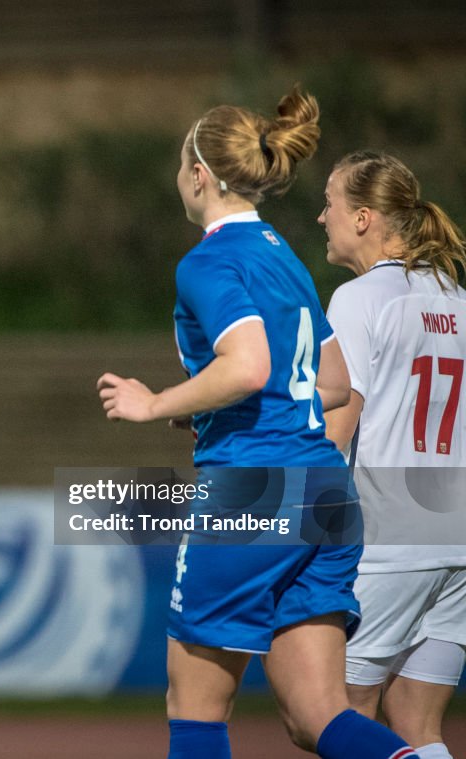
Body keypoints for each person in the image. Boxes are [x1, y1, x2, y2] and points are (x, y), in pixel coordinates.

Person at [97, 87, 422, 759]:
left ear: (199, 174)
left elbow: (246, 366)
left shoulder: (208, 261)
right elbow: (331, 385)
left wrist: (157, 402)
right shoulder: (286, 257)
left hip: (253, 489)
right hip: (326, 491)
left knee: (194, 708)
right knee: (319, 715)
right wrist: (222, 408)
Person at [319, 151, 466, 759]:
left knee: (336, 717)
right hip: (458, 535)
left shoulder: (360, 299)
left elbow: (336, 433)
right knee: (415, 720)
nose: (320, 215)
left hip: (392, 537)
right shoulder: (456, 296)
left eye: (329, 202)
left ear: (363, 218)